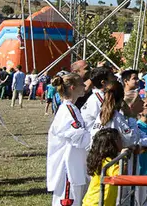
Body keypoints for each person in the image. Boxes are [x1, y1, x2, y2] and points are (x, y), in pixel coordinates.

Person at [47, 72, 91, 206]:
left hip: (76, 166)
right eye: (82, 84)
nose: (85, 86)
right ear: (72, 87)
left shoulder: (73, 109)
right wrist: (96, 135)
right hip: (68, 170)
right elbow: (79, 138)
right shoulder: (67, 111)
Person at [82, 128, 123, 206]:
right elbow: (120, 175)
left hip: (92, 201)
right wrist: (123, 157)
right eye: (119, 138)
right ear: (112, 144)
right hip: (98, 203)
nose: (122, 140)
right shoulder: (107, 162)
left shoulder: (101, 159)